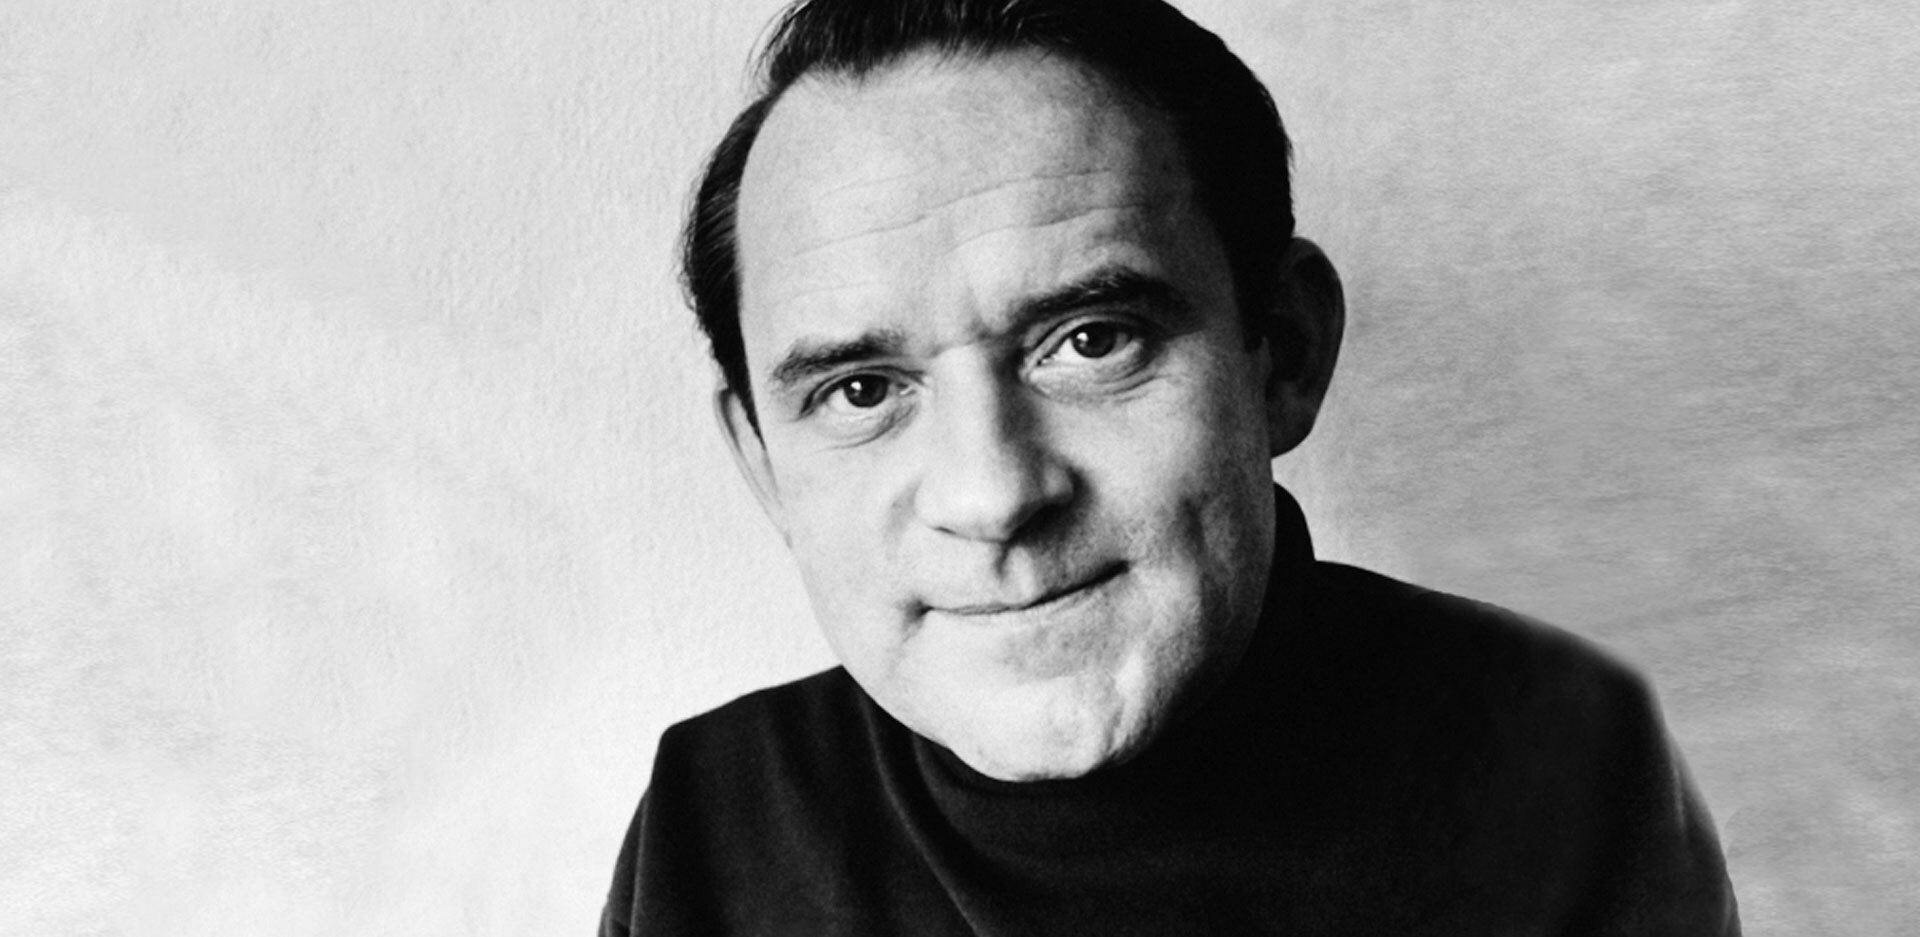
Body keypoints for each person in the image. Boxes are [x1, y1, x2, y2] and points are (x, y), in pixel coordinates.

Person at [602, 0, 1740, 933]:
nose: (992, 496)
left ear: (1283, 352)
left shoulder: (1572, 762)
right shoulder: (712, 817)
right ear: (763, 464)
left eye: (1092, 340)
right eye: (860, 392)